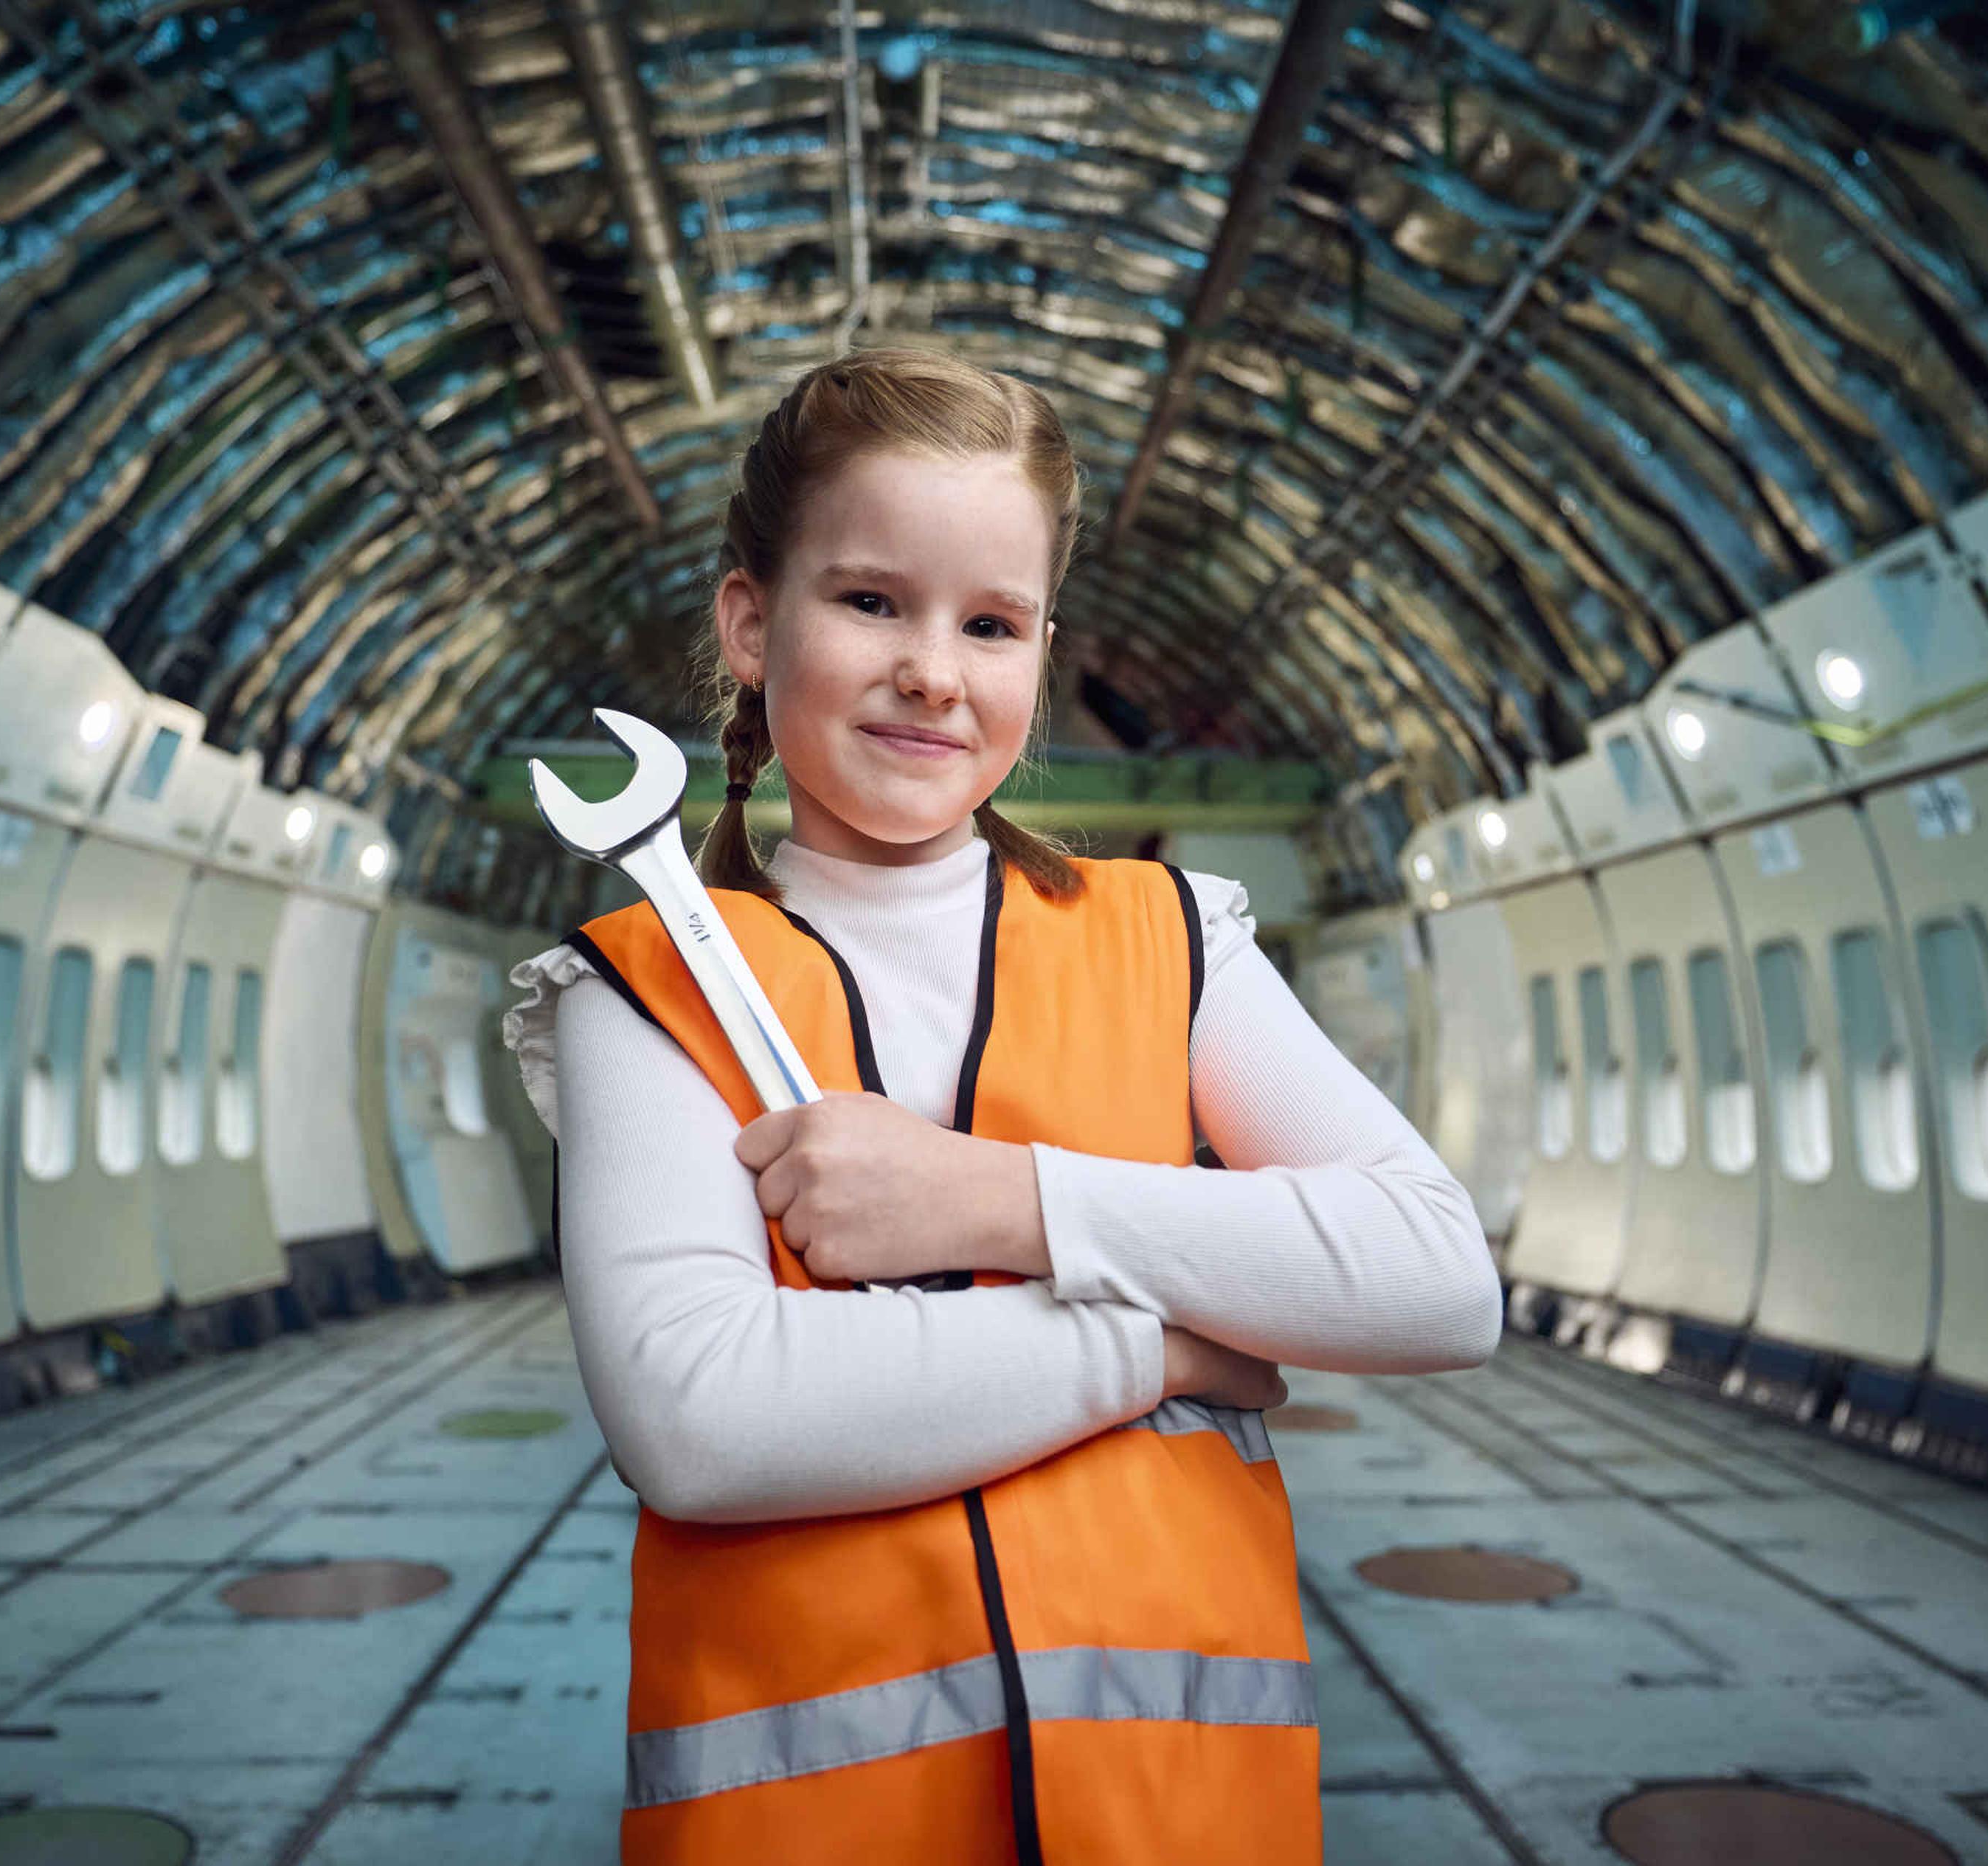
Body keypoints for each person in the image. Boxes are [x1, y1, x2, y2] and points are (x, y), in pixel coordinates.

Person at [503, 347, 1502, 1865]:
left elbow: (1437, 1272)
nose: (933, 669)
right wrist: (1159, 1339)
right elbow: (704, 1416)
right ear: (749, 623)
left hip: (1183, 1830)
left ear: (1041, 652)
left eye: (991, 622)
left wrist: (1000, 1198)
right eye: (869, 601)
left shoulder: (1170, 937)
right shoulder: (637, 987)